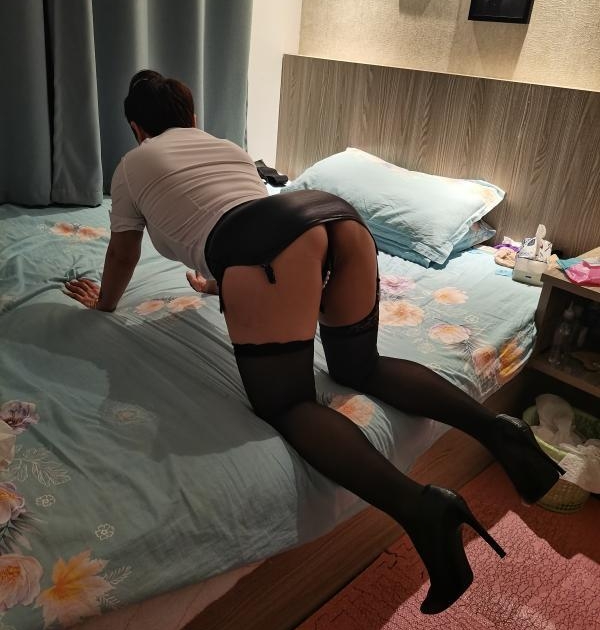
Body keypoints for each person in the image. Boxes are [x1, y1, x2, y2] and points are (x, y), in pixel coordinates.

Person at [65, 71, 565, 614]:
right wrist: (223, 283)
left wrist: (105, 303)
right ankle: (499, 430)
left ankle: (422, 508)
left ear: (137, 127)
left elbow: (126, 250)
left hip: (265, 249)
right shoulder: (225, 147)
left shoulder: (133, 164)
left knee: (287, 403)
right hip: (336, 220)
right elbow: (246, 215)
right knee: (362, 368)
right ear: (191, 117)